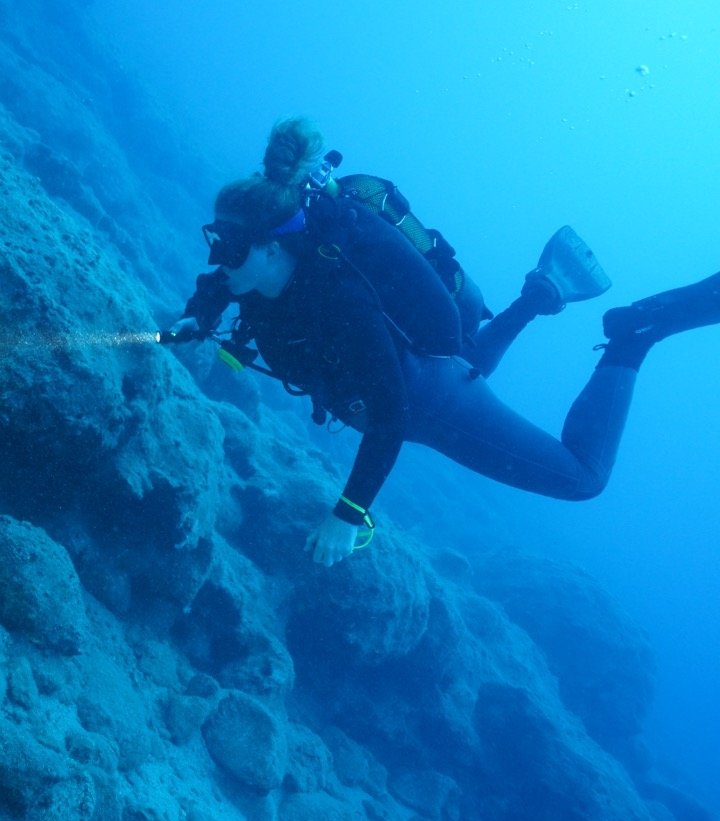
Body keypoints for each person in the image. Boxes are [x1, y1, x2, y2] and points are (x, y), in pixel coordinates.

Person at [169, 117, 720, 567]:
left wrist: (348, 514)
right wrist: (197, 314)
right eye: (216, 240)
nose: (218, 256)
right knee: (465, 358)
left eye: (229, 246)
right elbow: (217, 283)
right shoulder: (262, 270)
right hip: (420, 361)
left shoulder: (341, 303)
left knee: (583, 478)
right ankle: (538, 295)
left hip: (428, 400)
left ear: (271, 249)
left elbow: (391, 418)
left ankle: (634, 338)